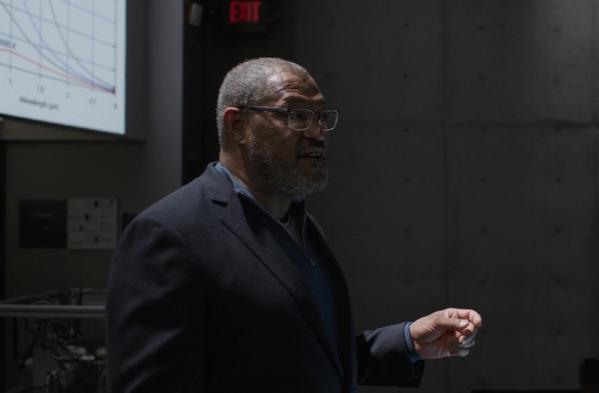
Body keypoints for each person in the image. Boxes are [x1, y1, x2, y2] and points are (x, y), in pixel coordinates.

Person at [106, 58, 483, 393]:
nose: (317, 132)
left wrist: (406, 342)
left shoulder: (297, 222)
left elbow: (302, 357)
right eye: (296, 115)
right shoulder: (168, 234)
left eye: (321, 117)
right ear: (237, 124)